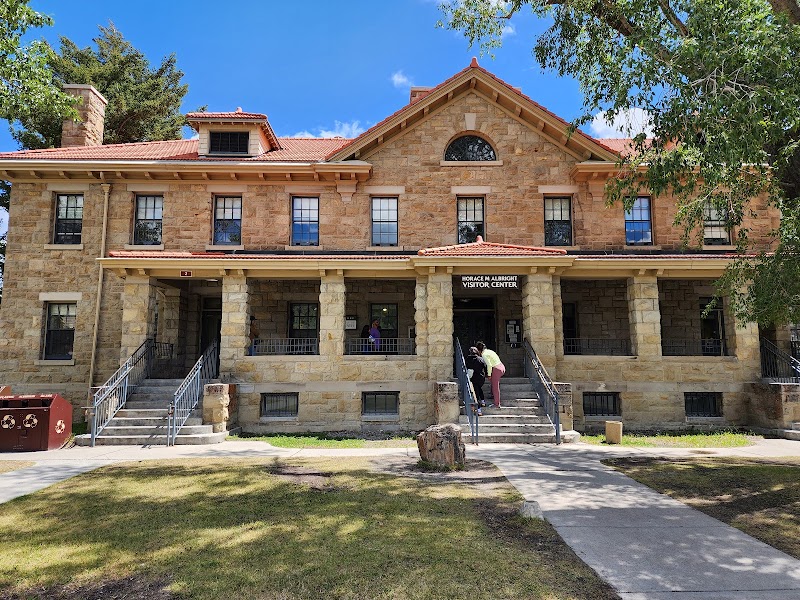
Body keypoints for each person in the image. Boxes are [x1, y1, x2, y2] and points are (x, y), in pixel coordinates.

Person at [476, 341, 505, 408]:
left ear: (479, 350)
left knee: (495, 387)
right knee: (493, 383)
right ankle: (492, 395)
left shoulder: (484, 355)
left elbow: (489, 365)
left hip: (496, 369)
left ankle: (497, 404)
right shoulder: (489, 351)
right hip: (501, 366)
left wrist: (489, 375)